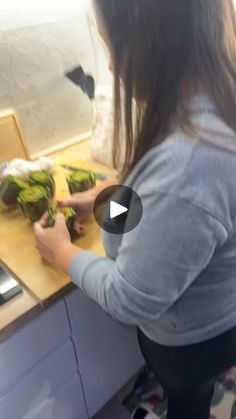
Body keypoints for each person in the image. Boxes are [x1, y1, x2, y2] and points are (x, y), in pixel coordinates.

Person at [34, 1, 236, 418]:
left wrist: (60, 252)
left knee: (187, 400)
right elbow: (177, 225)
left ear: (150, 45)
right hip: (219, 311)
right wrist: (108, 200)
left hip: (191, 342)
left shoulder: (188, 163)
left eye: (111, 49)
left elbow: (129, 299)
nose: (112, 68)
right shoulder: (212, 103)